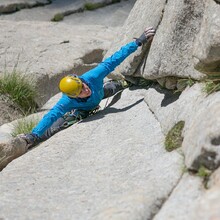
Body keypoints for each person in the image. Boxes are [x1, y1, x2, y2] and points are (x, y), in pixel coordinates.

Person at [19, 27, 156, 148]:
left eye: (82, 85)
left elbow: (114, 59)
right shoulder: (67, 102)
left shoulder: (92, 77)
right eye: (80, 92)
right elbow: (51, 116)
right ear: (73, 97)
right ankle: (33, 140)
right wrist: (34, 135)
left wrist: (138, 42)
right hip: (82, 109)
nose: (85, 89)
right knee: (58, 125)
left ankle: (119, 84)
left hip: (101, 92)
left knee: (113, 88)